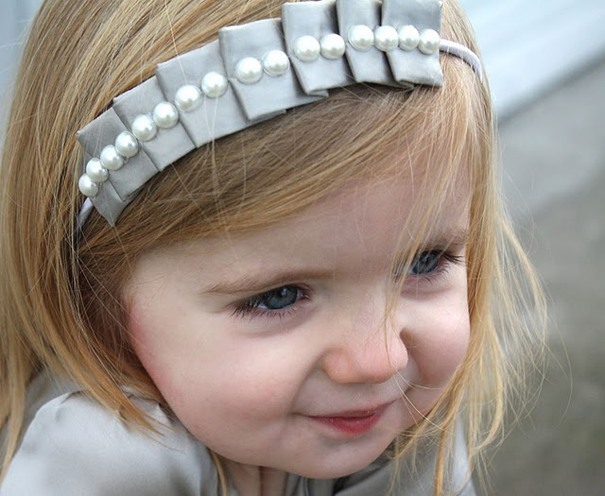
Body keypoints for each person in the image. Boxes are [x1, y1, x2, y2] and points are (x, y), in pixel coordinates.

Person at [0, 0, 544, 494]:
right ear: (92, 296)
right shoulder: (105, 465)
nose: (380, 359)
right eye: (280, 296)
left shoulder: (403, 423)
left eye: (425, 262)